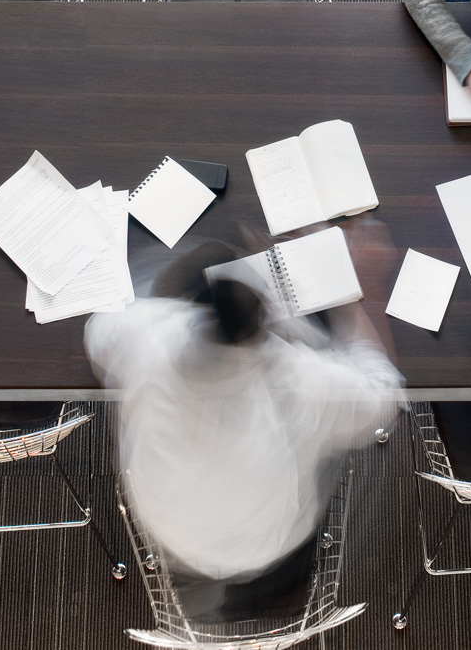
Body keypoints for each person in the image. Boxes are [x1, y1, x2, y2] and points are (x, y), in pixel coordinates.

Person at [83, 228, 403, 621]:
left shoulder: (148, 337)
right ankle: (274, 601)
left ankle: (217, 599)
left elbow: (98, 335)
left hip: (169, 530)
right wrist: (361, 288)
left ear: (190, 309)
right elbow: (382, 393)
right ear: (264, 323)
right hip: (270, 543)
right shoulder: (300, 381)